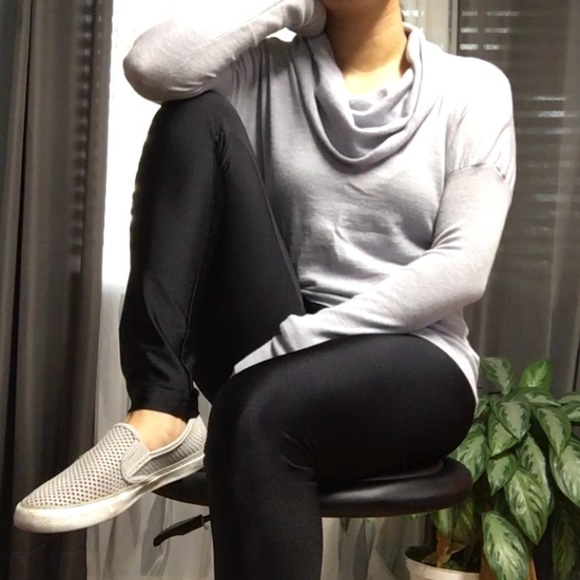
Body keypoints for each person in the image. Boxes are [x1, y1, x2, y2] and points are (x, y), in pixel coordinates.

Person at [14, 0, 516, 578]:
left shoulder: (471, 88)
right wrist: (290, 5)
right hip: (277, 331)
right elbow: (152, 66)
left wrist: (301, 340)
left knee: (259, 411)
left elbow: (461, 268)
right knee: (191, 113)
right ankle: (160, 411)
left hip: (415, 356)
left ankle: (238, 403)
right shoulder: (267, 71)